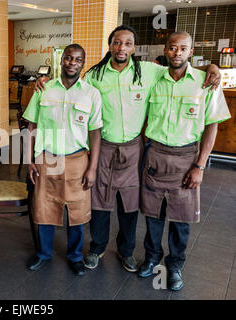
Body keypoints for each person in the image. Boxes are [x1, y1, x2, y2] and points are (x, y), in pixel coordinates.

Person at [35, 25, 221, 273]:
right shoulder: (94, 76)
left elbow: (180, 68)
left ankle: (126, 252)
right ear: (110, 45)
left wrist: (213, 68)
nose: (121, 47)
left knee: (130, 203)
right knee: (100, 200)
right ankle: (97, 248)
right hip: (103, 147)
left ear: (134, 47)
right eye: (117, 42)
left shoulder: (150, 72)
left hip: (134, 149)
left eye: (127, 43)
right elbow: (71, 84)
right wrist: (45, 81)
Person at [137, 32, 231, 291]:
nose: (177, 52)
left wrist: (200, 166)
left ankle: (175, 266)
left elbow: (212, 126)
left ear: (191, 52)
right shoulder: (154, 78)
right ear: (165, 51)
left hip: (187, 157)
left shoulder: (206, 82)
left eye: (183, 49)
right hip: (155, 154)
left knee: (182, 219)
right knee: (153, 215)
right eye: (172, 48)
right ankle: (152, 258)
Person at [23, 44, 102, 276]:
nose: (72, 63)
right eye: (68, 58)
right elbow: (31, 126)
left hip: (78, 159)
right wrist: (30, 160)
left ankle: (75, 256)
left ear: (82, 64)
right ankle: (43, 253)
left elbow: (95, 132)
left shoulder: (91, 94)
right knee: (44, 208)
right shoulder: (43, 89)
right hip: (46, 158)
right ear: (61, 61)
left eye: (78, 60)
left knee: (76, 212)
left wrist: (93, 167)